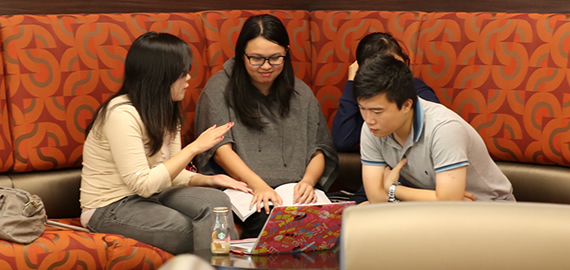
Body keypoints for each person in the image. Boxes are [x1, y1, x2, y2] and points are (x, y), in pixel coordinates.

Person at [80, 32, 252, 255]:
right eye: (182, 73)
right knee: (209, 233)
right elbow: (143, 184)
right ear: (160, 77)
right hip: (109, 206)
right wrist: (194, 147)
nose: (189, 78)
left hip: (153, 195)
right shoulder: (121, 114)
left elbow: (171, 173)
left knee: (217, 203)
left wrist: (210, 180)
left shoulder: (166, 110)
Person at [194, 14, 338, 238]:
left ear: (286, 53)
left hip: (295, 190)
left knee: (331, 229)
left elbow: (319, 148)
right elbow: (221, 150)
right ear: (242, 54)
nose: (266, 67)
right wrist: (257, 184)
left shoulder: (300, 92)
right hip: (245, 189)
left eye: (275, 58)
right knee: (278, 229)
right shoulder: (219, 89)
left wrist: (308, 182)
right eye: (257, 59)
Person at [354, 54, 515, 203]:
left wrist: (393, 189)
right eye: (362, 108)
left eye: (377, 111)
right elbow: (376, 198)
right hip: (434, 213)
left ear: (406, 105)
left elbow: (448, 202)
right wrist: (440, 199)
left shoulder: (444, 129)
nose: (368, 120)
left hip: (490, 209)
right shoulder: (372, 129)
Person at [332, 32, 440, 203]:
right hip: (373, 186)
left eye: (395, 65)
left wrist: (393, 189)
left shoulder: (418, 94)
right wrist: (352, 84)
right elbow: (342, 140)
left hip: (414, 190)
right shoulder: (366, 98)